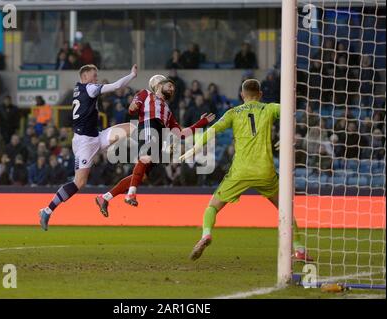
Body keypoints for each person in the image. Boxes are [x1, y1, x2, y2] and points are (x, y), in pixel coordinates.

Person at [180, 79, 312, 262]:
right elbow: (291, 111)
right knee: (285, 210)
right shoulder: (269, 108)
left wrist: (194, 148)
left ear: (242, 95)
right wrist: (289, 136)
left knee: (212, 207)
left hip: (240, 171)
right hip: (265, 171)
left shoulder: (233, 112)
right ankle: (299, 249)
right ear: (260, 94)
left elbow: (213, 130)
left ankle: (206, 235)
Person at [95, 76, 215, 217]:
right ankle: (130, 194)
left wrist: (201, 123)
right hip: (148, 126)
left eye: (173, 89)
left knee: (142, 176)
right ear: (158, 85)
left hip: (158, 137)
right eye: (169, 85)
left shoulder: (168, 112)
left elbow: (182, 134)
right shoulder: (146, 94)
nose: (172, 89)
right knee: (145, 158)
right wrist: (133, 107)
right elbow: (132, 109)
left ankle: (105, 197)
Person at [38, 63, 138, 230]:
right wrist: (132, 75)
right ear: (85, 77)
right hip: (85, 142)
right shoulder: (89, 88)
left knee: (131, 128)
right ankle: (47, 210)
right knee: (79, 183)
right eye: (94, 75)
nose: (96, 78)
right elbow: (116, 86)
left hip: (95, 136)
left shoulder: (79, 89)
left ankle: (154, 146)